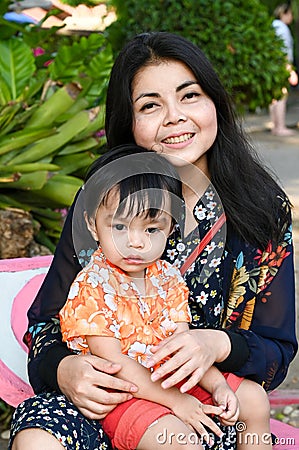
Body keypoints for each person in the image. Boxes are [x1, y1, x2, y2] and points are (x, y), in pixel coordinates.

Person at [10, 31, 297, 450]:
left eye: (189, 96)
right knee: (39, 438)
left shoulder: (262, 210)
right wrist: (64, 370)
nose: (175, 117)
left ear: (214, 101)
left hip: (201, 406)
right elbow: (46, 324)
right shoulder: (104, 198)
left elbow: (277, 353)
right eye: (150, 105)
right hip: (105, 397)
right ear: (129, 122)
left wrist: (216, 344)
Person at [59, 144, 272, 450]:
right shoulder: (92, 285)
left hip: (170, 383)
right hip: (123, 396)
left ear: (169, 227)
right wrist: (179, 402)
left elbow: (182, 349)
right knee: (177, 438)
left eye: (151, 229)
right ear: (93, 225)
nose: (135, 242)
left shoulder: (167, 279)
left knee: (254, 400)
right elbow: (115, 364)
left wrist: (218, 384)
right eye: (119, 226)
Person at [269, 2, 298, 136]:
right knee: (282, 94)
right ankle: (280, 127)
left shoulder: (272, 26)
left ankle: (275, 125)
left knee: (274, 97)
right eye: (290, 13)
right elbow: (284, 50)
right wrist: (290, 69)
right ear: (283, 13)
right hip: (281, 66)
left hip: (271, 65)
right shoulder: (283, 28)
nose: (291, 17)